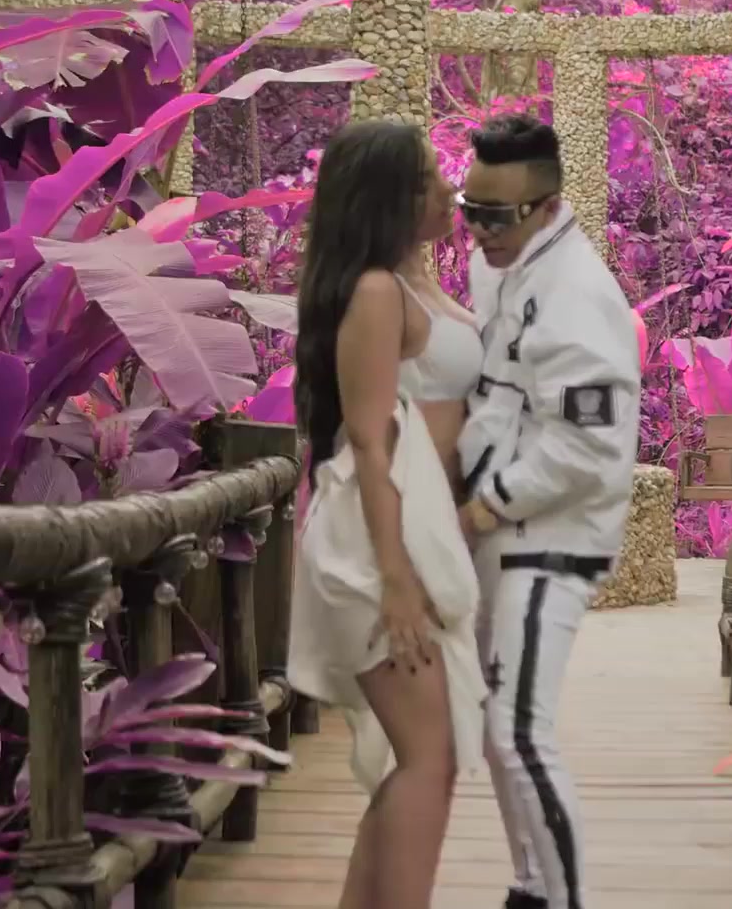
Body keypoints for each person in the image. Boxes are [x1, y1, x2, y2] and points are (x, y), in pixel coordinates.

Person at [285, 119, 489, 909]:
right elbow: (368, 440)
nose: (447, 187)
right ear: (387, 198)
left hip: (418, 531)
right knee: (428, 756)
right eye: (428, 176)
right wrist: (397, 579)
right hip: (378, 541)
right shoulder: (376, 292)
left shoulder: (422, 284)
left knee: (423, 758)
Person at [456, 114, 641, 909]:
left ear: (547, 206)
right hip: (508, 533)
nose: (478, 231)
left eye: (496, 216)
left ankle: (562, 898)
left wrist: (484, 508)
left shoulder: (576, 294)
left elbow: (589, 448)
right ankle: (532, 885)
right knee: (498, 729)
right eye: (469, 210)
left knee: (519, 732)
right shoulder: (500, 266)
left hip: (550, 536)